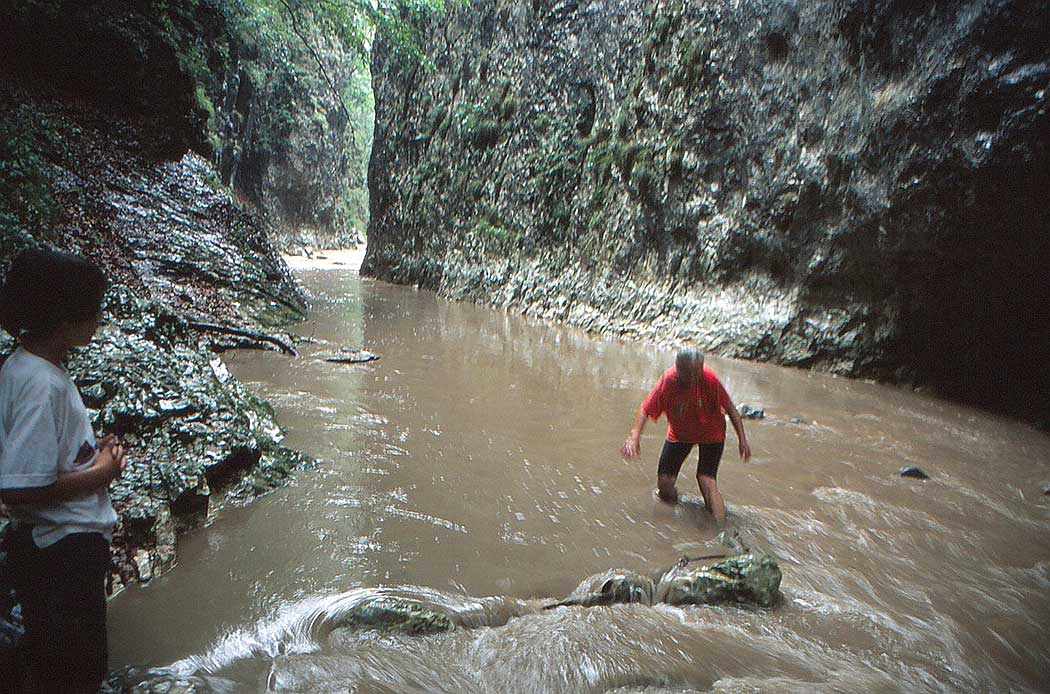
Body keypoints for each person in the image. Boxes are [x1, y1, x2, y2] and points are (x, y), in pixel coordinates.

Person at [0, 248, 125, 693]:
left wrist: (91, 453)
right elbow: (20, 489)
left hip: (57, 550)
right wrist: (102, 473)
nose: (98, 321)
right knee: (76, 675)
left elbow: (42, 460)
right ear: (64, 318)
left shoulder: (27, 367)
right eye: (93, 311)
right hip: (62, 554)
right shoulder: (41, 383)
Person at [622, 348, 750, 526]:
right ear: (678, 367)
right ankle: (671, 515)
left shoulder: (710, 379)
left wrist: (742, 440)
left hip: (711, 432)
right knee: (664, 484)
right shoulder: (668, 381)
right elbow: (645, 410)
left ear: (701, 368)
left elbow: (731, 409)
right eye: (687, 372)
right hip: (680, 433)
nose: (692, 377)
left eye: (696, 371)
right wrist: (634, 438)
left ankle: (720, 531)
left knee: (706, 479)